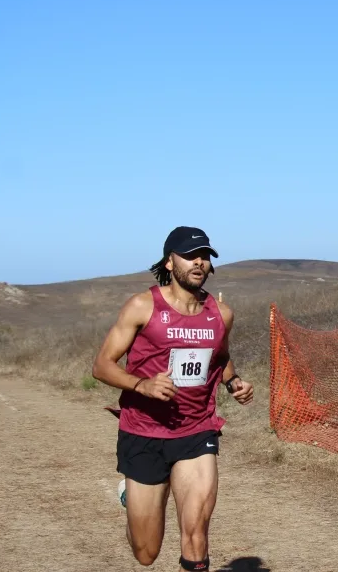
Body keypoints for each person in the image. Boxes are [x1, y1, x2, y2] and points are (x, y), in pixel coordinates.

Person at [92, 226, 254, 571]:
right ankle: (132, 494)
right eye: (190, 255)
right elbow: (102, 366)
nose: (199, 262)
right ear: (169, 262)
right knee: (146, 552)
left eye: (205, 256)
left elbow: (220, 358)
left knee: (196, 533)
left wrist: (234, 382)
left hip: (196, 431)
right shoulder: (142, 306)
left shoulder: (221, 314)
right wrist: (142, 385)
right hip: (144, 432)